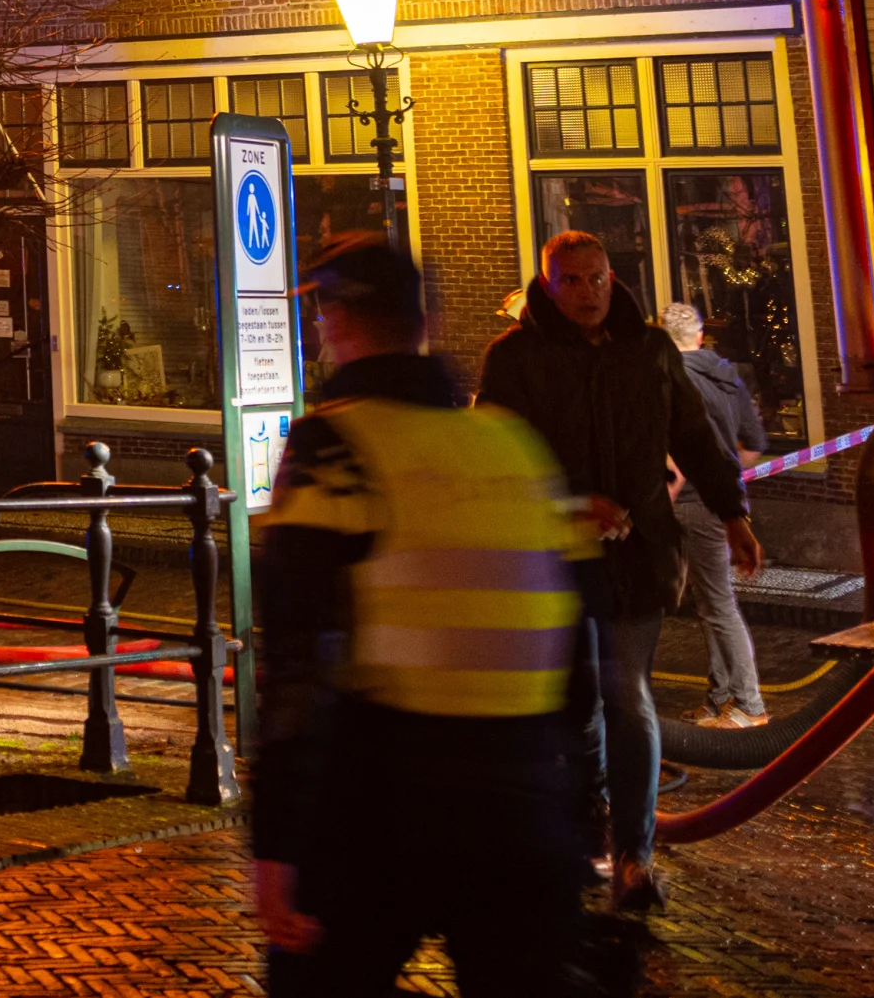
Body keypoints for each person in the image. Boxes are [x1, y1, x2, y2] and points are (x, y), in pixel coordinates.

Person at [250, 235, 589, 997]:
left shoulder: (334, 447)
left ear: (333, 321)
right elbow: (577, 649)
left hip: (382, 803)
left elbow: (298, 662)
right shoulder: (514, 446)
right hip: (525, 803)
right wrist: (575, 813)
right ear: (425, 319)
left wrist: (277, 844)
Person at [480, 233, 760, 913]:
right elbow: (492, 455)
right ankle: (588, 822)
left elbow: (694, 435)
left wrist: (733, 512)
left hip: (639, 553)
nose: (587, 291)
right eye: (571, 281)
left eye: (597, 277)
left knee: (626, 695)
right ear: (549, 287)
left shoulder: (652, 350)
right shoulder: (515, 358)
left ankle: (635, 854)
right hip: (554, 557)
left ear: (614, 277)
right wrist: (568, 504)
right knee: (575, 702)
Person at [663, 302, 771, 729]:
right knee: (711, 602)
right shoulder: (729, 377)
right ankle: (720, 699)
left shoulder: (673, 380)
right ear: (700, 336)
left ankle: (749, 704)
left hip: (689, 502)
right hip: (722, 504)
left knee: (718, 605)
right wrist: (727, 478)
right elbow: (755, 441)